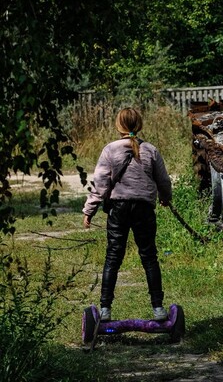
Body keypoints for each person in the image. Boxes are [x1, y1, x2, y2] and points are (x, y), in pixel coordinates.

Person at [82, 107, 172, 322]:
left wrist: (89, 211)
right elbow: (163, 180)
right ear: (139, 125)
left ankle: (105, 309)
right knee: (149, 256)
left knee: (113, 256)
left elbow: (101, 185)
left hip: (119, 208)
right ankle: (158, 308)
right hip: (144, 208)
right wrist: (165, 198)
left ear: (118, 125)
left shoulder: (110, 150)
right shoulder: (150, 150)